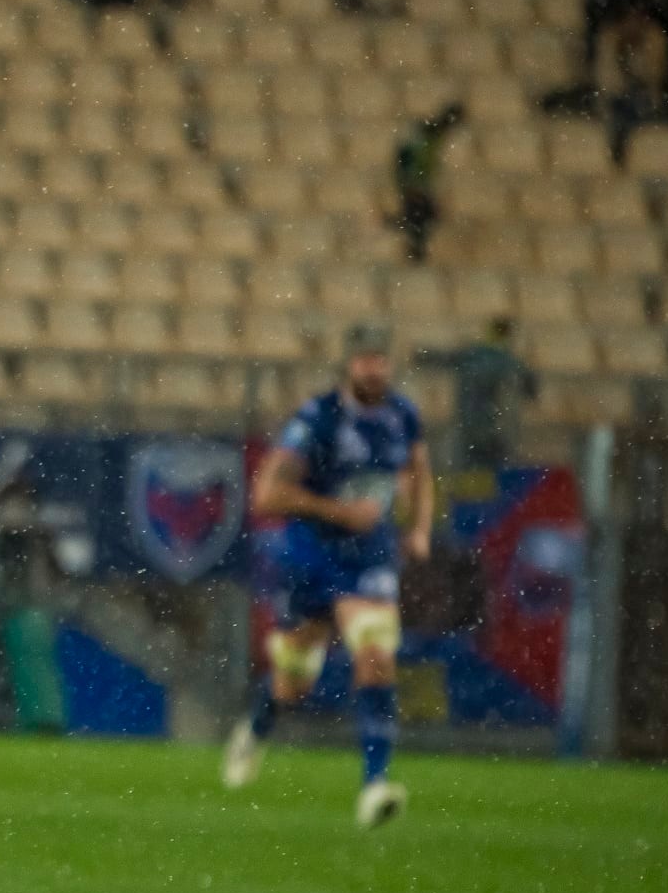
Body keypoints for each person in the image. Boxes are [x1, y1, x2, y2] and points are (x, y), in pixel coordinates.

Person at [222, 322, 435, 829]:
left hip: (371, 556)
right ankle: (255, 729)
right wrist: (339, 511)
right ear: (348, 364)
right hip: (314, 557)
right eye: (365, 359)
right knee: (294, 680)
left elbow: (419, 471)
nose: (374, 368)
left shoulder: (403, 415)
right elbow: (267, 495)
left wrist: (420, 526)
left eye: (381, 359)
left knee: (376, 653)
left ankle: (374, 785)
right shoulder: (319, 419)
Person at [416, 317, 538, 472]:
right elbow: (530, 386)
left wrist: (422, 355)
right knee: (494, 475)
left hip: (467, 423)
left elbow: (442, 359)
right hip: (493, 426)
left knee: (466, 473)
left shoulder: (473, 353)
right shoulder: (507, 359)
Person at [391, 102, 465, 265]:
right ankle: (412, 241)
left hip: (419, 187)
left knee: (421, 216)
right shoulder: (424, 140)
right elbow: (405, 159)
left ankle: (413, 241)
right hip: (415, 187)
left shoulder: (431, 140)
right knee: (419, 214)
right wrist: (411, 184)